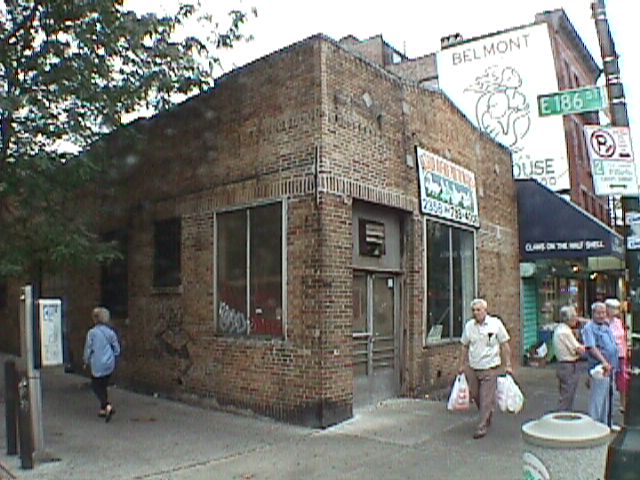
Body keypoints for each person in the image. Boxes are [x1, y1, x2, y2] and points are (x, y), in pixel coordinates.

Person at [458, 298, 513, 439]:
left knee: (485, 397)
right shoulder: (469, 326)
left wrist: (508, 364)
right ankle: (488, 412)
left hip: (490, 367)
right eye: (474, 310)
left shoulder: (495, 324)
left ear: (485, 310)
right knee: (476, 395)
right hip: (473, 367)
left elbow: (505, 344)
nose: (476, 313)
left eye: (478, 310)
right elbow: (464, 346)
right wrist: (461, 364)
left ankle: (481, 426)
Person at [582, 301, 618, 426]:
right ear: (593, 314)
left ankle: (605, 425)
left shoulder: (606, 327)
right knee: (597, 399)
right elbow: (591, 347)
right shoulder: (589, 328)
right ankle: (593, 426)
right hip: (599, 369)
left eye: (603, 312)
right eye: (599, 313)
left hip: (611, 368)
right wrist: (604, 362)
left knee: (609, 399)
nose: (602, 315)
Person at [83, 307, 120, 422]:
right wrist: (112, 356)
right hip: (109, 363)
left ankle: (107, 405)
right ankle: (103, 409)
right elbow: (117, 349)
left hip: (97, 363)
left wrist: (85, 360)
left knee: (96, 386)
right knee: (103, 385)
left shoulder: (92, 333)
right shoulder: (111, 333)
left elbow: (88, 349)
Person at [552, 305, 586, 411]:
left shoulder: (560, 329)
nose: (576, 319)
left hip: (563, 365)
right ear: (569, 319)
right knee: (567, 395)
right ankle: (561, 416)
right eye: (574, 317)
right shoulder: (565, 332)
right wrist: (588, 347)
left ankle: (564, 415)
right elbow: (578, 349)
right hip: (568, 365)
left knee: (566, 393)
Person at [605, 298, 629, 413]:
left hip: (620, 354)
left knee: (622, 379)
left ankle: (622, 403)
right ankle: (607, 403)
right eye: (611, 308)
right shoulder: (604, 322)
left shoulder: (617, 322)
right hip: (607, 355)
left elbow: (620, 336)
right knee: (607, 378)